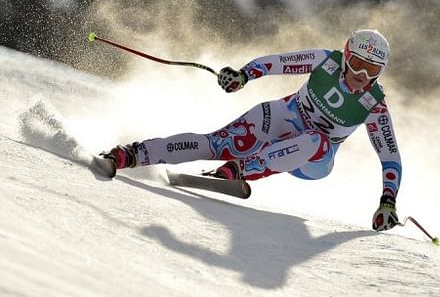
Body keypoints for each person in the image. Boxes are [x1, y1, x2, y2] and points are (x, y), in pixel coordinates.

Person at [102, 29, 402, 232]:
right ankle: (132, 154)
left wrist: (387, 202)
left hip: (313, 160)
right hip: (285, 118)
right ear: (347, 56)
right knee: (216, 143)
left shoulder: (373, 105)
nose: (363, 75)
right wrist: (244, 75)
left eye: (372, 70)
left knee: (314, 139)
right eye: (358, 64)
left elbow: (390, 157)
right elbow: (280, 63)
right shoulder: (326, 61)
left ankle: (241, 169)